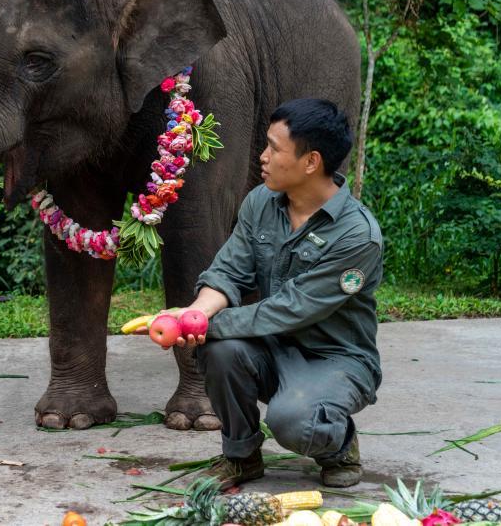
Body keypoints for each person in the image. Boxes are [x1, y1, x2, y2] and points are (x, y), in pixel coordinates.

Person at [158, 98, 383, 489]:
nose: (262, 156)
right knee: (219, 349)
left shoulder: (357, 236)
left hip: (335, 359)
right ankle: (241, 458)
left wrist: (212, 325)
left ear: (311, 162)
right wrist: (194, 314)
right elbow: (229, 270)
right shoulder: (261, 201)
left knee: (292, 421)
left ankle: (337, 442)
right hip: (272, 347)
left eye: (274, 148)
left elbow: (291, 308)